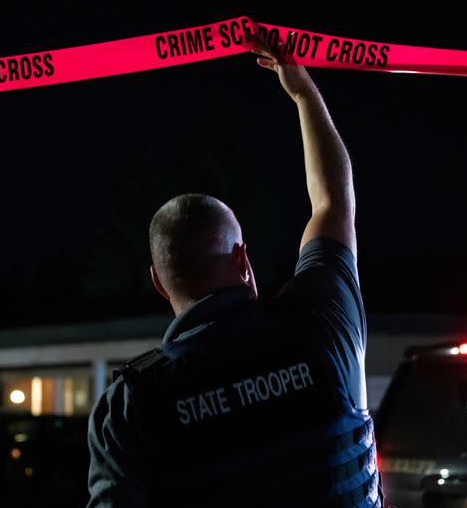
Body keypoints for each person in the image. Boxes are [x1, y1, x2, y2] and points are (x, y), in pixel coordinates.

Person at [86, 38, 382, 507]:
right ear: (243, 261)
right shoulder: (321, 324)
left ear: (160, 283)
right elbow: (333, 204)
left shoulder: (131, 406)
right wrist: (303, 91)